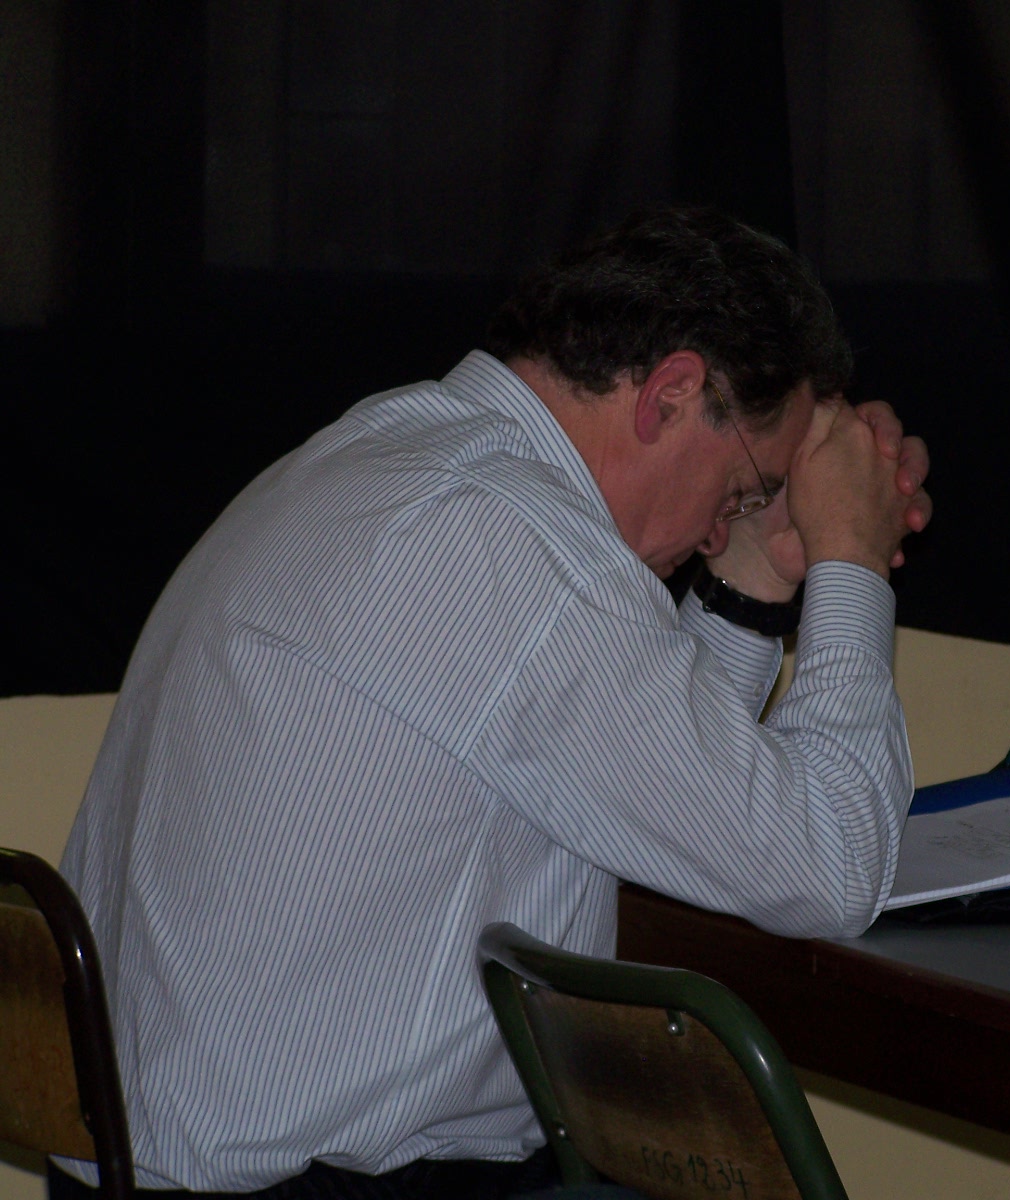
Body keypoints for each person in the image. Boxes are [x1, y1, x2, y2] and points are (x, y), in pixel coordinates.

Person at [54, 207, 932, 1198]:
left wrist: (756, 575)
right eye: (738, 489)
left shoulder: (389, 450)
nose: (713, 530)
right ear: (674, 394)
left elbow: (649, 786)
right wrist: (852, 558)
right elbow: (831, 863)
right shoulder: (517, 548)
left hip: (143, 1170)